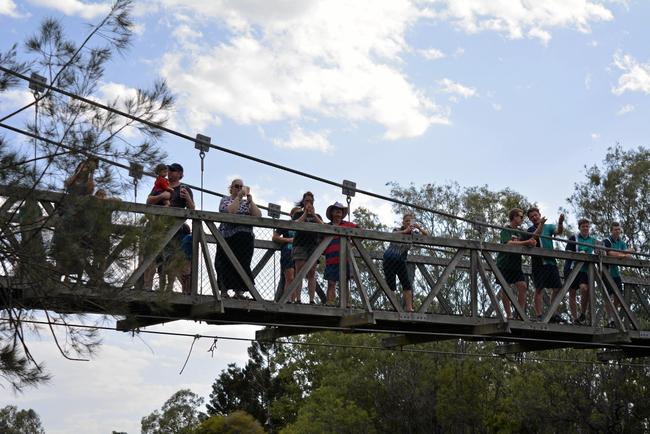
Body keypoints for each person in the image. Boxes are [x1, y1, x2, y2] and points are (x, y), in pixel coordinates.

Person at [142, 163, 195, 290]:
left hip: (175, 231)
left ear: (180, 174)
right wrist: (161, 196)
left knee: (171, 261)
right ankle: (147, 288)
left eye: (173, 170)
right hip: (157, 228)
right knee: (152, 259)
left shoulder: (185, 189)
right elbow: (148, 201)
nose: (170, 172)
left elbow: (192, 209)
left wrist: (187, 198)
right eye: (169, 170)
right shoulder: (161, 185)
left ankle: (168, 289)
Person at [52, 156, 99, 280]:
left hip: (80, 215)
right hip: (68, 212)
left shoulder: (88, 181)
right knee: (62, 244)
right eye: (83, 166)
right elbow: (68, 184)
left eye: (86, 167)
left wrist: (92, 173)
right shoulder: (73, 179)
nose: (85, 168)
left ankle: (74, 277)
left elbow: (90, 190)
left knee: (79, 246)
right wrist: (79, 171)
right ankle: (59, 274)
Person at [214, 178, 261, 299]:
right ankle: (224, 292)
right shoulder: (225, 200)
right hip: (228, 238)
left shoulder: (247, 203)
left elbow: (258, 216)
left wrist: (251, 201)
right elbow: (231, 211)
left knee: (243, 264)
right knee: (224, 264)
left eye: (241, 187)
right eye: (236, 186)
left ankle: (239, 291)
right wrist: (238, 198)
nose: (239, 189)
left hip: (245, 239)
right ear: (231, 188)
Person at [496, 208, 538, 319]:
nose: (522, 218)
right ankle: (509, 315)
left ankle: (519, 313)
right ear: (514, 217)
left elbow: (531, 238)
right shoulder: (506, 229)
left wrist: (531, 242)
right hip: (504, 264)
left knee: (523, 286)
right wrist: (527, 242)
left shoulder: (521, 232)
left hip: (516, 265)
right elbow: (508, 243)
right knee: (506, 288)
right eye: (520, 216)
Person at [382, 213, 428, 312]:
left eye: (410, 221)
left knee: (407, 284)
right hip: (389, 259)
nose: (408, 223)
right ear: (403, 222)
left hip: (401, 261)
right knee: (391, 285)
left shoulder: (413, 234)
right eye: (406, 221)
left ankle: (409, 308)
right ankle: (394, 307)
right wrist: (405, 231)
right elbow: (391, 235)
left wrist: (419, 228)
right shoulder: (397, 230)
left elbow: (426, 235)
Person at [527, 207, 565, 322]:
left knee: (557, 287)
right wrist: (541, 224)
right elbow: (535, 237)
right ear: (530, 219)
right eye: (531, 217)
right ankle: (539, 315)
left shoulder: (548, 227)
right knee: (539, 288)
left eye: (535, 215)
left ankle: (553, 312)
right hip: (538, 262)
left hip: (551, 262)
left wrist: (560, 222)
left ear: (539, 214)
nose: (534, 217)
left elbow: (558, 231)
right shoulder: (530, 230)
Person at [291, 192, 324, 304]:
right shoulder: (297, 214)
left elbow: (324, 227)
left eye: (311, 201)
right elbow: (295, 225)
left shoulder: (317, 216)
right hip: (300, 245)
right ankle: (298, 299)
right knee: (299, 272)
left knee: (312, 273)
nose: (309, 203)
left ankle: (311, 300)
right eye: (307, 201)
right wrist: (305, 213)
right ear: (303, 202)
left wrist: (313, 215)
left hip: (313, 247)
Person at [323, 202, 357, 306]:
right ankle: (330, 303)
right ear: (332, 212)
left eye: (341, 210)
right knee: (331, 282)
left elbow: (361, 232)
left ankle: (346, 303)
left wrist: (353, 244)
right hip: (331, 258)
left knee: (345, 282)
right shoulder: (326, 226)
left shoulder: (347, 224)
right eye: (336, 209)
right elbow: (319, 239)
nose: (339, 211)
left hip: (344, 258)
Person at [564, 218, 596, 325]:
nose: (585, 228)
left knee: (584, 288)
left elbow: (597, 251)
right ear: (579, 228)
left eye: (587, 226)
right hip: (572, 268)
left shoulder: (592, 240)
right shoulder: (574, 238)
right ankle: (574, 318)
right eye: (583, 226)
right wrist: (578, 253)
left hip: (585, 269)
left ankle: (582, 312)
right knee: (572, 292)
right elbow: (567, 251)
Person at [602, 222, 634, 326]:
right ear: (611, 231)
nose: (617, 231)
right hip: (606, 273)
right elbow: (609, 253)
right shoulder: (607, 241)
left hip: (616, 274)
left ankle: (614, 317)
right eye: (615, 229)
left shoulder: (621, 242)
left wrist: (623, 254)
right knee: (608, 296)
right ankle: (610, 318)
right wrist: (624, 254)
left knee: (618, 296)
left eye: (618, 229)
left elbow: (630, 254)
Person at [272, 207, 300, 302]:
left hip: (299, 253)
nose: (298, 216)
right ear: (291, 215)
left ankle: (293, 300)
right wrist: (288, 240)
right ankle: (287, 300)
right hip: (288, 252)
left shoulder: (304, 225)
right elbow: (275, 237)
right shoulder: (285, 224)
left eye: (300, 214)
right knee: (290, 277)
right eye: (296, 214)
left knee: (297, 278)